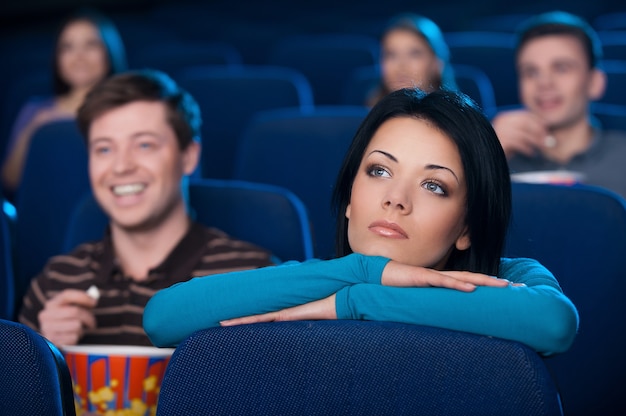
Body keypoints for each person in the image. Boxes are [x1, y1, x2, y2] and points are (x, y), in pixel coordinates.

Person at [144, 88, 579, 356]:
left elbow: (554, 324)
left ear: (467, 226)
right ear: (349, 199)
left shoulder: (510, 278)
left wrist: (356, 302)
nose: (395, 199)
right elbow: (162, 318)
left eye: (434, 185)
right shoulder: (321, 278)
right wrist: (361, 272)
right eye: (379, 171)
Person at [18, 69, 275, 347]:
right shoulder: (54, 284)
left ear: (189, 156)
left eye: (144, 145)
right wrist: (44, 352)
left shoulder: (251, 277)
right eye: (104, 149)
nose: (121, 166)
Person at [491, 11, 626, 199]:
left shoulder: (622, 159)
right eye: (531, 72)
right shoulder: (498, 158)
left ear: (595, 82)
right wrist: (488, 157)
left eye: (562, 68)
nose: (544, 83)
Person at [1, 9, 127, 196]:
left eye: (91, 45)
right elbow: (10, 180)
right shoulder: (36, 111)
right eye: (68, 47)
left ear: (109, 51)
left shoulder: (128, 110)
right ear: (57, 59)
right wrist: (35, 129)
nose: (79, 57)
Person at [366, 13, 457, 107]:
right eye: (391, 55)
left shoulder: (456, 119)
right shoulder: (366, 117)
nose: (402, 65)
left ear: (437, 63)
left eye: (414, 54)